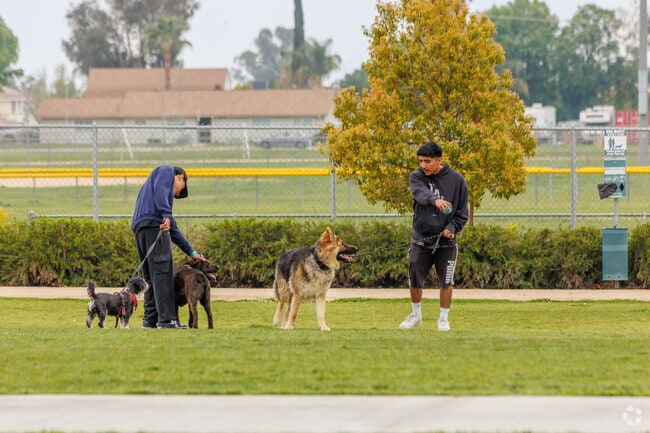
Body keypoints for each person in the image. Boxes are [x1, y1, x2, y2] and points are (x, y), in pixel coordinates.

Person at [400, 142, 468, 332]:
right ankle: (416, 315)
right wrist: (435, 200)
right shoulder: (416, 177)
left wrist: (452, 227)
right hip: (420, 240)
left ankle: (443, 319)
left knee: (446, 281)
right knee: (414, 276)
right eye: (421, 161)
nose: (423, 165)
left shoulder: (457, 180)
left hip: (446, 242)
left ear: (440, 160)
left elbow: (462, 212)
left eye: (427, 161)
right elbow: (420, 194)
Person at [132, 165, 205, 329]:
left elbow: (174, 230)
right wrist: (166, 213)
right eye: (179, 191)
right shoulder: (166, 171)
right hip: (154, 227)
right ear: (180, 177)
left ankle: (150, 321)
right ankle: (167, 321)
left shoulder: (153, 203)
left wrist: (191, 252)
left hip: (141, 228)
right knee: (163, 274)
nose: (175, 194)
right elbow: (161, 192)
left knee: (150, 278)